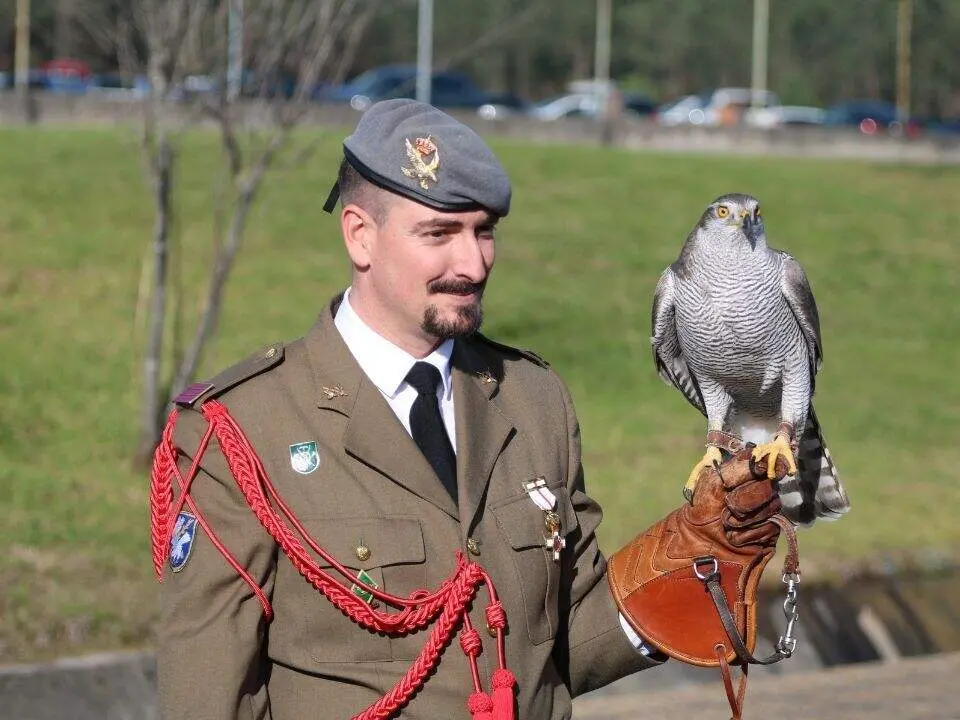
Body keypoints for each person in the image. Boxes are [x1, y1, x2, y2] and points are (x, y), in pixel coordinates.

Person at [151, 99, 784, 720]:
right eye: (439, 233)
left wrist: (693, 564)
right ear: (360, 235)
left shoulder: (533, 400)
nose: (473, 262)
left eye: (484, 231)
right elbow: (208, 693)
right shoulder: (239, 430)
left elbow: (556, 645)